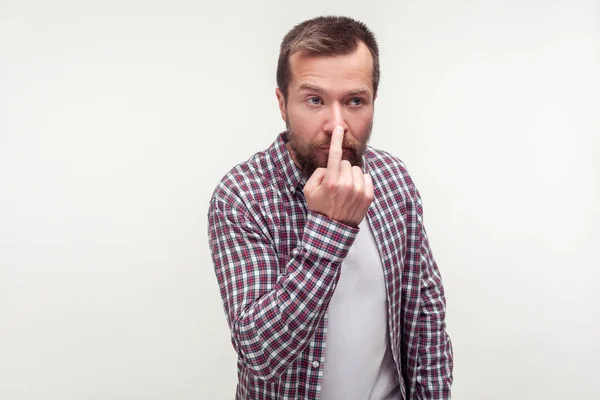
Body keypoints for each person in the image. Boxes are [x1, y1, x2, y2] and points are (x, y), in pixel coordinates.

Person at [207, 15, 453, 400]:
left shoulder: (393, 178)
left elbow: (425, 311)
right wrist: (331, 226)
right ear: (282, 103)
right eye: (315, 100)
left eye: (355, 101)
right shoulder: (243, 195)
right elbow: (260, 354)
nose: (335, 126)